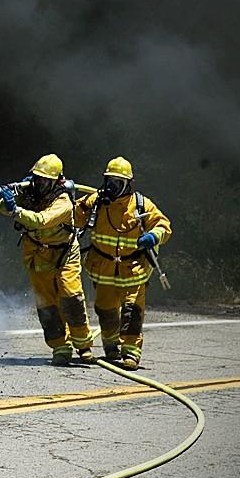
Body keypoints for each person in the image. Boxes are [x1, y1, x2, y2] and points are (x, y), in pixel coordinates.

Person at [75, 157, 171, 370]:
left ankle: (131, 353)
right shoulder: (96, 201)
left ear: (128, 183)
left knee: (132, 311)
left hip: (133, 270)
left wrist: (154, 236)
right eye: (110, 181)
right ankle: (111, 347)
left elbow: (163, 224)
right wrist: (61, 190)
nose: (112, 186)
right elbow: (73, 215)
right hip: (103, 268)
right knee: (106, 309)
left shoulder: (141, 204)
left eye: (118, 182)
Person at [0, 154, 95, 365]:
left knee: (71, 296)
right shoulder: (31, 194)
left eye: (45, 180)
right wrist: (10, 198)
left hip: (64, 254)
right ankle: (60, 347)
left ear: (57, 181)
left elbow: (41, 221)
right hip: (36, 254)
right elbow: (3, 209)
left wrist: (15, 209)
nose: (40, 183)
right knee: (47, 304)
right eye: (37, 178)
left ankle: (83, 345)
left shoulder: (63, 203)